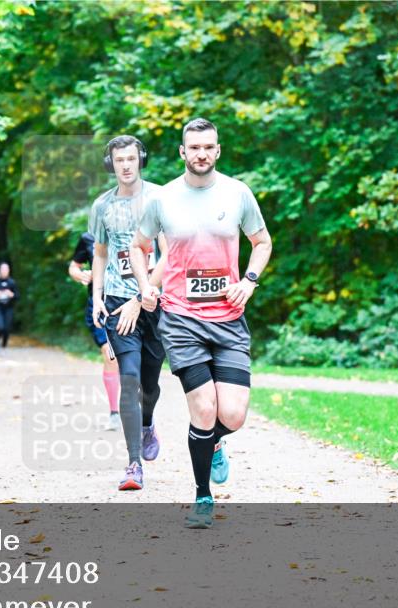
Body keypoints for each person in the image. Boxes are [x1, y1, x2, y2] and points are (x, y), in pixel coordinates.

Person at [130, 118, 272, 527]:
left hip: (228, 319)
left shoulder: (237, 193)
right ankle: (203, 497)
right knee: (204, 408)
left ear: (218, 150)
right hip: (181, 320)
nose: (201, 154)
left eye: (208, 147)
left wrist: (249, 281)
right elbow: (139, 247)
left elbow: (262, 242)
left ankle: (211, 443)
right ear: (182, 152)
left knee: (233, 415)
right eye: (194, 147)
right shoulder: (163, 199)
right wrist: (145, 286)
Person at [89, 135, 168, 492]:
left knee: (150, 383)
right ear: (111, 163)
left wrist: (144, 293)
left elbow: (169, 254)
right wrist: (97, 297)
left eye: (131, 159)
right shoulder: (102, 206)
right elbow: (100, 254)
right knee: (130, 379)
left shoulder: (159, 199)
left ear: (141, 160)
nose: (125, 165)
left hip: (157, 303)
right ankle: (134, 463)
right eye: (119, 159)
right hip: (119, 304)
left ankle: (147, 423)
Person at [69, 232, 121, 431]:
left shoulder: (131, 232)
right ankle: (114, 413)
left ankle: (138, 409)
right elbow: (73, 266)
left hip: (126, 303)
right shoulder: (88, 238)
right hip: (99, 305)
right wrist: (81, 274)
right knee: (110, 355)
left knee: (130, 357)